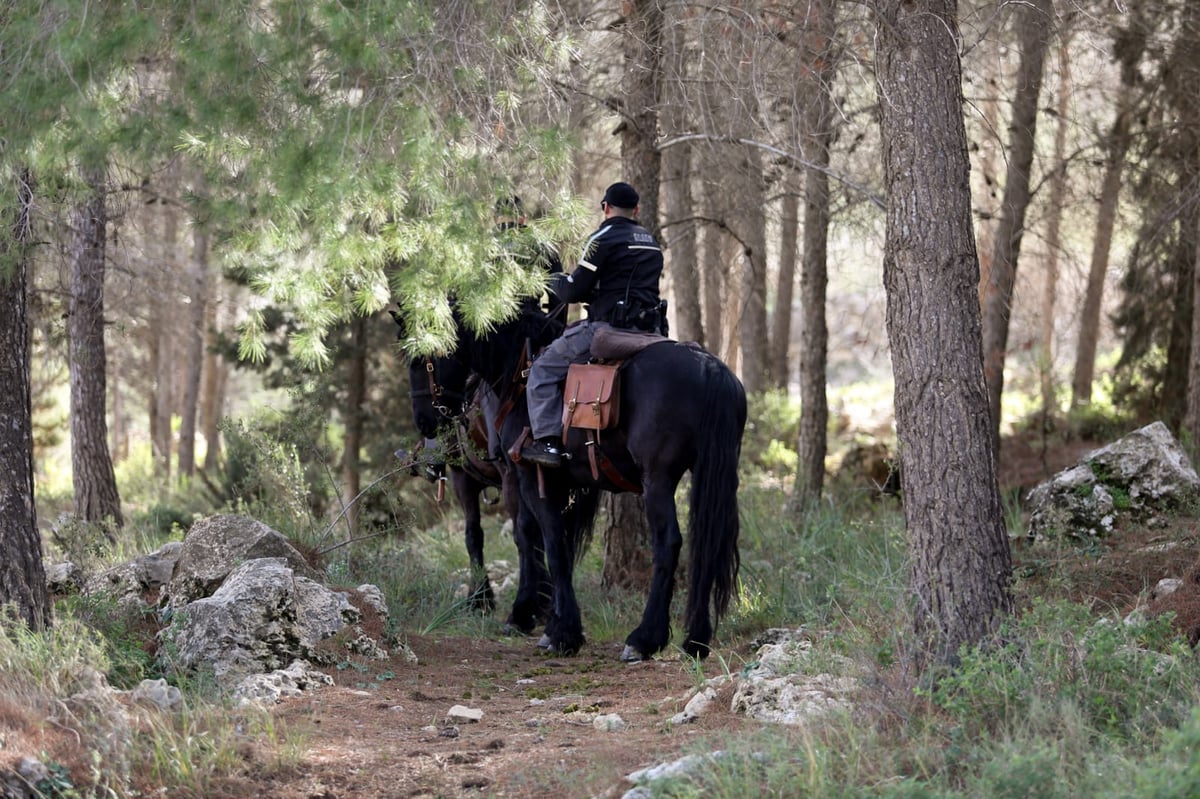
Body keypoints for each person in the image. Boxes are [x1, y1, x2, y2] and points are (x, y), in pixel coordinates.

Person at [520, 181, 665, 468]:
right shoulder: (651, 241)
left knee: (541, 370)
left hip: (608, 330)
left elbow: (574, 291)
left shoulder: (603, 237)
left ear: (606, 207)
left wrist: (554, 278)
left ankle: (547, 443)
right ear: (636, 209)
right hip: (651, 332)